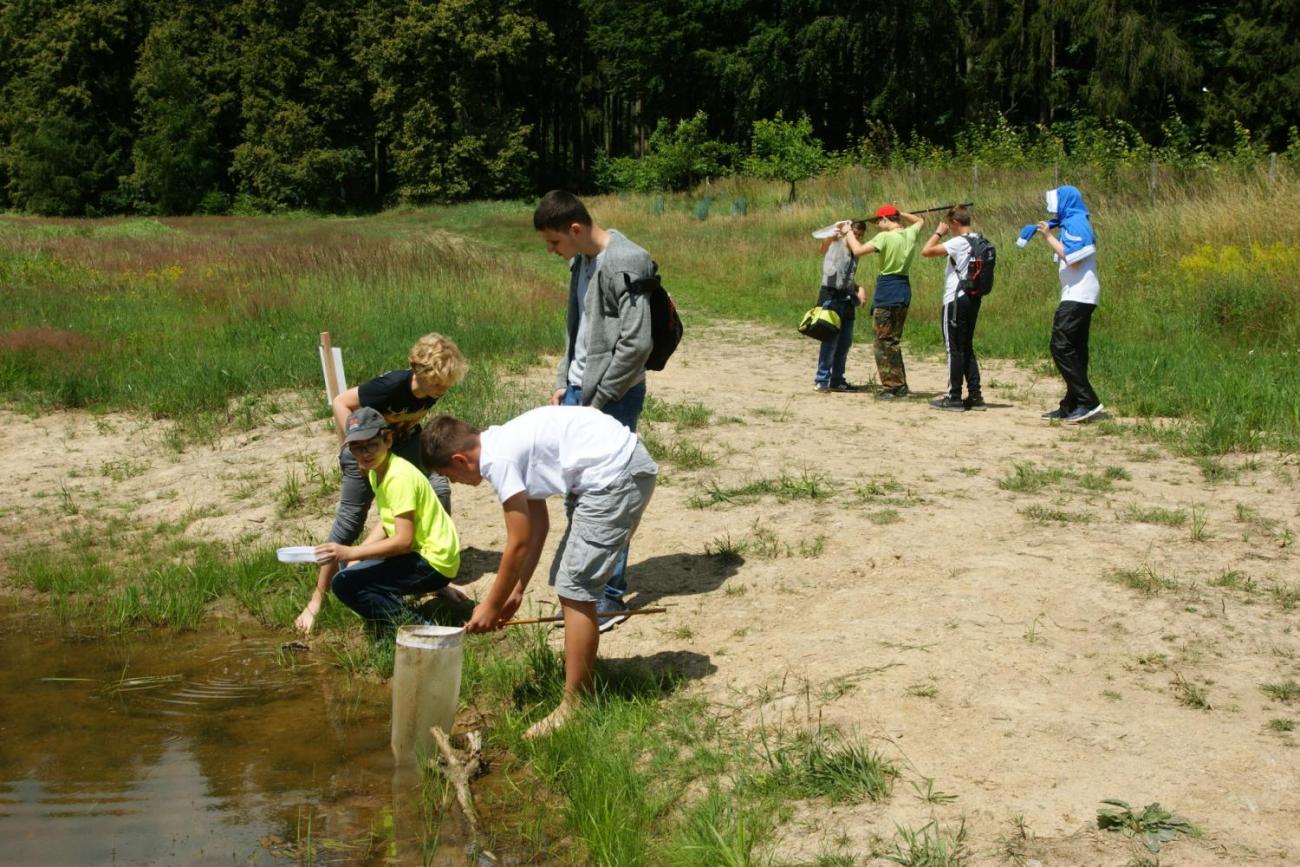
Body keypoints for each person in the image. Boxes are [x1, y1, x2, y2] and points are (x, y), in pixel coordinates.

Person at [422, 406, 658, 738]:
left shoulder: (497, 460)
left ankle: (576, 704)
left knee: (575, 587)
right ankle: (578, 689)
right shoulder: (501, 442)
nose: (455, 483)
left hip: (617, 476)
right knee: (571, 583)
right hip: (613, 469)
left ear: (460, 460)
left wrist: (490, 604)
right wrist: (517, 590)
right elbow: (537, 526)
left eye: (449, 477)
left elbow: (517, 541)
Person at [533, 190, 655, 629]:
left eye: (554, 242)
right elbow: (576, 330)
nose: (551, 252)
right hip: (578, 396)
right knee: (577, 496)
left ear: (576, 229)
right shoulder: (580, 261)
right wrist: (563, 382)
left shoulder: (626, 260)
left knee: (607, 494)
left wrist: (597, 402)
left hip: (611, 398)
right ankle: (584, 588)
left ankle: (607, 596)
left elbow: (636, 343)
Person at [294, 333, 468, 634]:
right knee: (349, 521)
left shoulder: (436, 387)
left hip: (399, 444)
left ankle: (435, 576)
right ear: (420, 373)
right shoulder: (390, 387)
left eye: (446, 385)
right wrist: (354, 449)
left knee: (437, 489)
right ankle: (316, 599)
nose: (441, 391)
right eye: (438, 384)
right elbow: (340, 402)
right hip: (370, 444)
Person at [313, 407, 466, 636]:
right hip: (426, 554)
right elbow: (387, 522)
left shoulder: (398, 477)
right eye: (357, 448)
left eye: (371, 444)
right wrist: (358, 553)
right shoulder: (377, 470)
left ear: (388, 439)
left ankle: (421, 630)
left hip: (433, 561)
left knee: (344, 583)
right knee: (349, 568)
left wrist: (352, 552)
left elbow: (403, 541)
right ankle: (422, 599)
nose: (364, 453)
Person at [1034, 185, 1104, 423]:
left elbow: (1073, 259)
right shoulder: (1073, 222)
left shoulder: (1077, 224)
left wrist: (1048, 237)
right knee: (1075, 349)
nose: (1052, 210)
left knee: (1060, 346)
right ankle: (1071, 404)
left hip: (1078, 295)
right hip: (1078, 294)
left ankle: (1088, 400)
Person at [841, 204, 925, 399]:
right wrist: (902, 214)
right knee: (892, 340)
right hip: (903, 288)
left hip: (888, 290)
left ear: (886, 219)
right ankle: (900, 384)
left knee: (882, 343)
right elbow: (921, 221)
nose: (877, 224)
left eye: (878, 220)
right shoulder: (909, 234)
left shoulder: (885, 237)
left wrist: (848, 233)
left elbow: (859, 250)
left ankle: (892, 387)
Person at [920, 205, 986, 411]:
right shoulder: (981, 240)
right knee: (966, 347)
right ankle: (975, 396)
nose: (949, 227)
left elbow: (926, 251)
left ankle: (953, 397)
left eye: (950, 224)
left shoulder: (958, 242)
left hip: (955, 301)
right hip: (973, 298)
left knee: (954, 349)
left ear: (955, 223)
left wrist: (939, 233)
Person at [813, 220, 870, 392]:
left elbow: (847, 277)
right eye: (855, 234)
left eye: (860, 235)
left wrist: (858, 288)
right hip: (831, 296)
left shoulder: (856, 251)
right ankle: (822, 379)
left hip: (847, 298)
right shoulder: (837, 243)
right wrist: (835, 232)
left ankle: (837, 379)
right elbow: (822, 247)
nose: (857, 238)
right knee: (830, 339)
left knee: (845, 341)